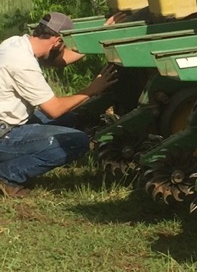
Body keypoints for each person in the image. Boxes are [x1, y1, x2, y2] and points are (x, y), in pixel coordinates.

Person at [0, 11, 124, 197]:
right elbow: (54, 110)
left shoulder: (16, 43)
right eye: (63, 44)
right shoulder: (22, 63)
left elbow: (58, 60)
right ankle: (8, 176)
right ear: (57, 41)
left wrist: (102, 35)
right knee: (77, 141)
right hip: (5, 133)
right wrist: (92, 89)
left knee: (71, 118)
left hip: (8, 121)